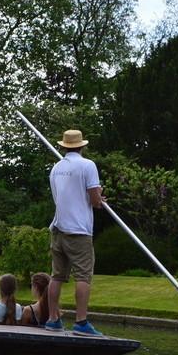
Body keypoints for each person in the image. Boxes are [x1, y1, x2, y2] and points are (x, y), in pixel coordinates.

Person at [45, 129, 104, 336]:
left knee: (57, 276)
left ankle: (53, 319)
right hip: (79, 230)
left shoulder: (56, 168)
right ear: (82, 146)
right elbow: (95, 200)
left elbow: (63, 197)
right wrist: (99, 199)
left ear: (63, 145)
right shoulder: (88, 165)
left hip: (58, 228)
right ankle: (81, 322)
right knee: (83, 276)